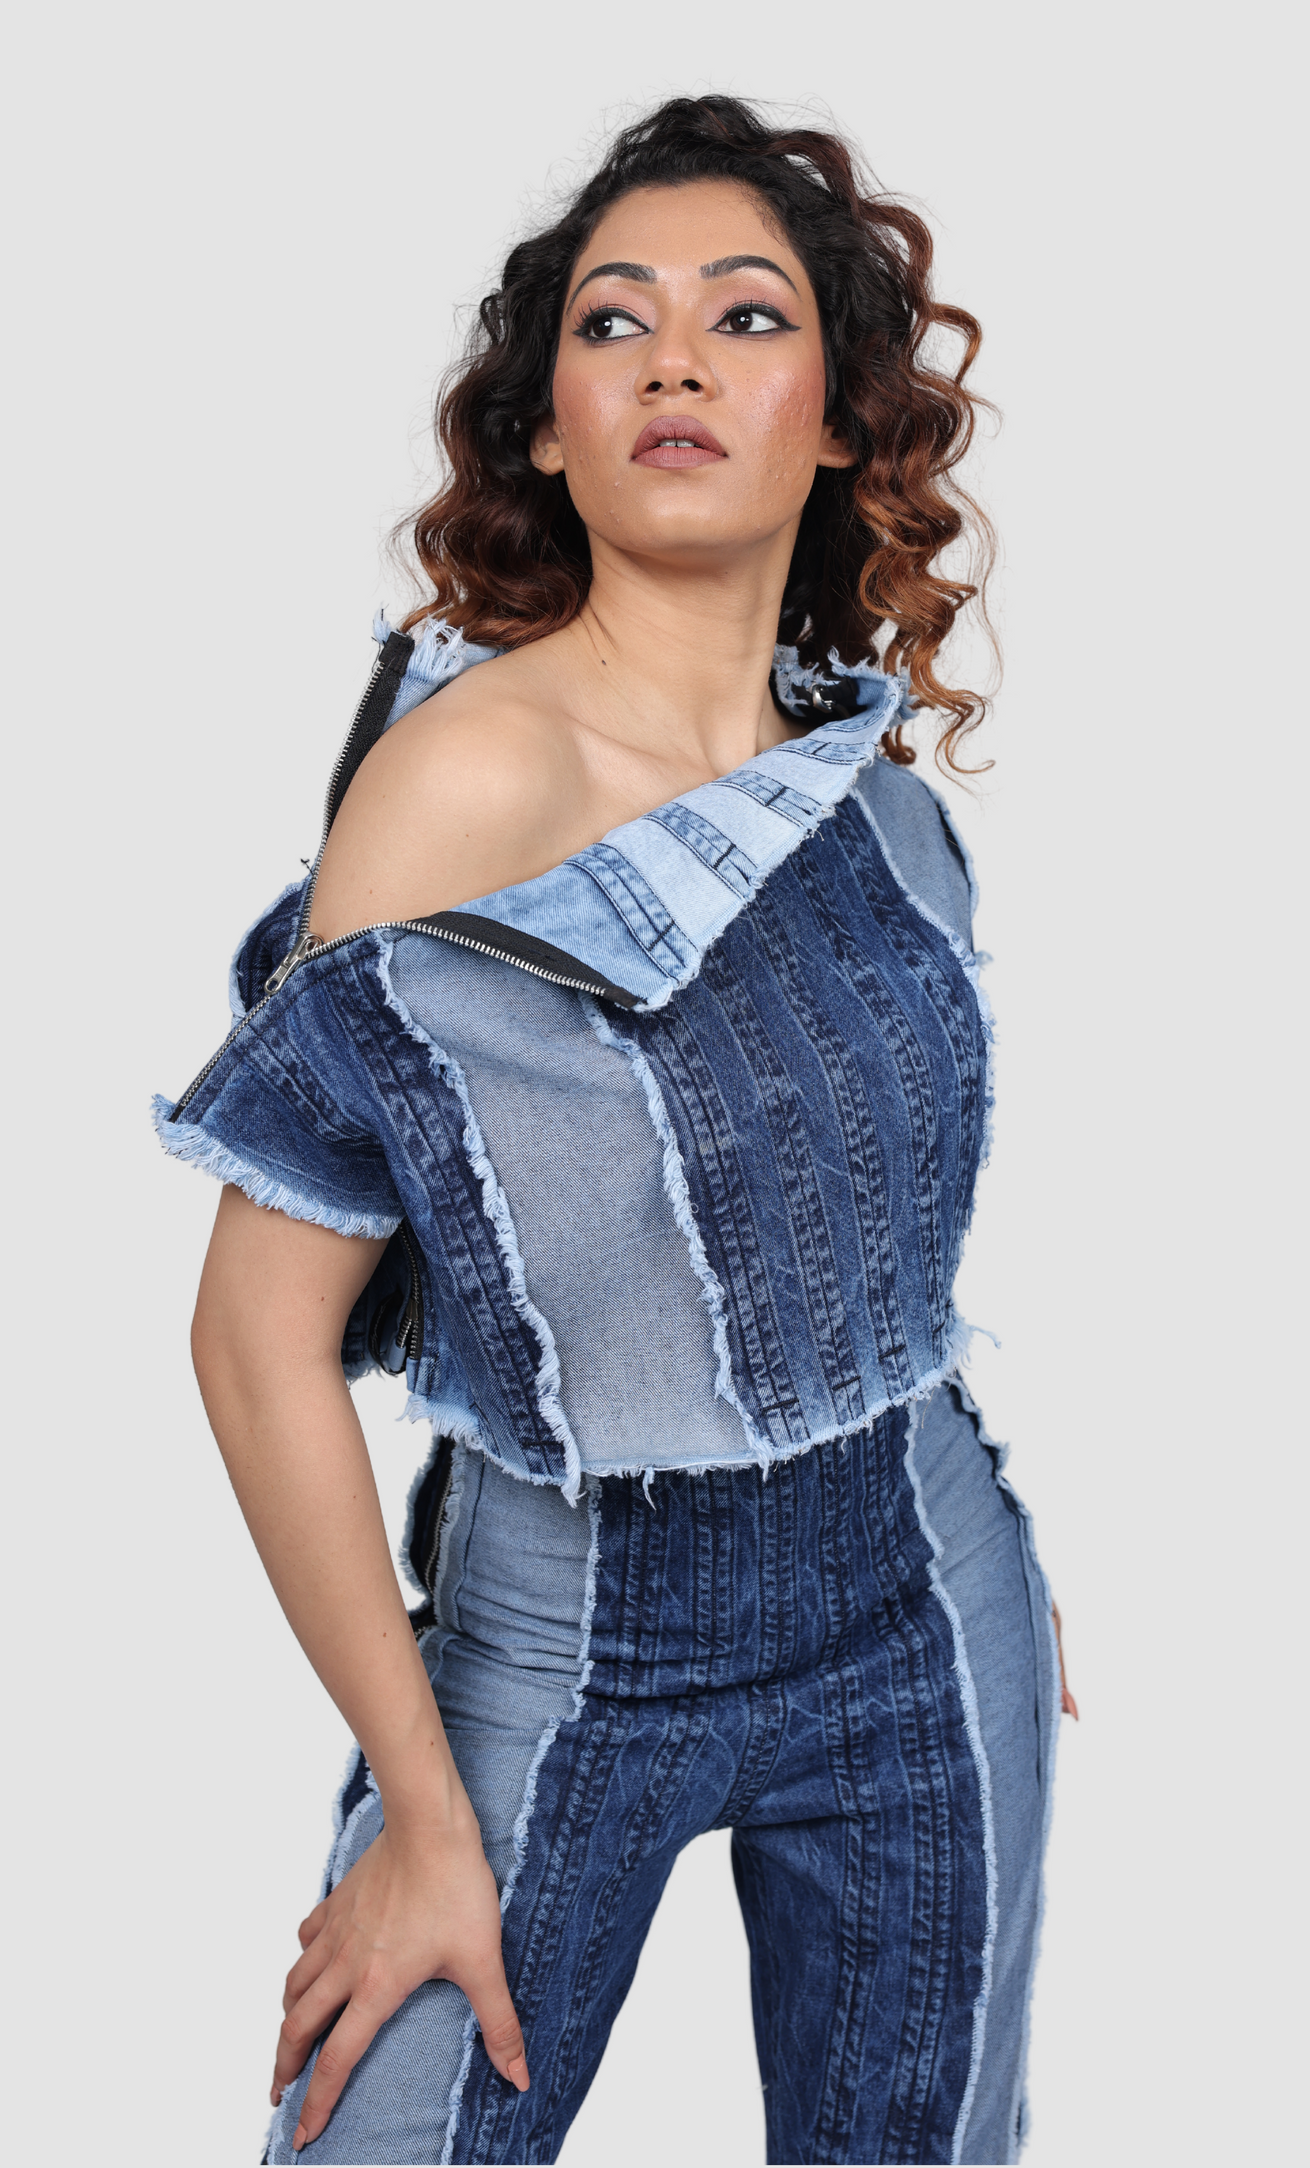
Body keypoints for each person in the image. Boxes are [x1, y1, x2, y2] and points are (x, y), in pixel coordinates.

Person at [160, 93, 1074, 2168]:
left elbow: (878, 1255)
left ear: (834, 422)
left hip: (923, 1603)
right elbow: (251, 1335)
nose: (674, 362)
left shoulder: (874, 802)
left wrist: (995, 1573)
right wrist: (417, 1812)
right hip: (563, 1640)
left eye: (745, 318)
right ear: (550, 430)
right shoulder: (463, 784)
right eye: (611, 324)